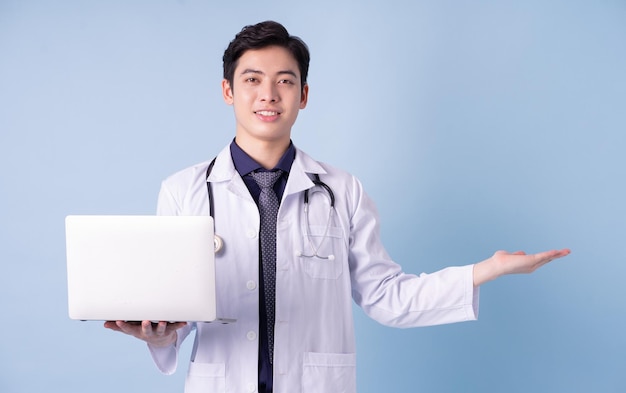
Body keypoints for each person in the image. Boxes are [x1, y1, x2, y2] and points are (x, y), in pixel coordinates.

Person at [104, 20, 570, 393]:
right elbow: (174, 315)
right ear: (228, 91)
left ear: (303, 96)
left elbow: (387, 297)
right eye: (252, 80)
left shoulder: (342, 191)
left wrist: (485, 270)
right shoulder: (184, 191)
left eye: (284, 82)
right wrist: (156, 331)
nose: (268, 94)